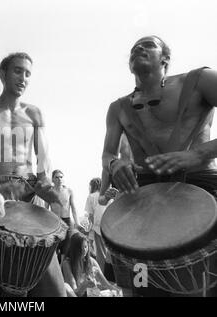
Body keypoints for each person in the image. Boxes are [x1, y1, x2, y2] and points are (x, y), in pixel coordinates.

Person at [102, 35, 217, 296]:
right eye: (133, 48)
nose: (138, 48)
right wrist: (115, 164)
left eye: (148, 44)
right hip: (143, 196)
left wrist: (198, 154)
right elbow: (107, 154)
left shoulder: (201, 80)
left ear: (165, 58)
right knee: (142, 288)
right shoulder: (117, 107)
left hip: (202, 186)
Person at [0, 52, 65, 297]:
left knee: (52, 287)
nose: (24, 78)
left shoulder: (34, 114)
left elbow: (43, 162)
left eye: (28, 73)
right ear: (2, 74)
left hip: (29, 201)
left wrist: (47, 186)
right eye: (18, 71)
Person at [62, 231, 120, 297]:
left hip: (92, 294)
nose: (84, 250)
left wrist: (117, 291)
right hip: (76, 295)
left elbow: (106, 284)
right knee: (65, 287)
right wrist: (84, 285)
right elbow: (73, 293)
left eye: (85, 247)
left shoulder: (91, 261)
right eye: (80, 248)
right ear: (74, 249)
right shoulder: (67, 264)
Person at [85, 177, 112, 273]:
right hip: (109, 227)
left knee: (100, 254)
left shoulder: (91, 196)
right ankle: (110, 275)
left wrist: (90, 230)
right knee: (110, 253)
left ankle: (102, 275)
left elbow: (91, 216)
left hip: (97, 227)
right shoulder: (108, 196)